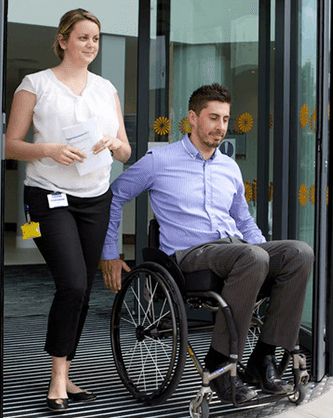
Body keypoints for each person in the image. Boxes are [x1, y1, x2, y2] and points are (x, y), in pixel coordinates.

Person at [101, 83, 313, 404]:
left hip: (238, 250)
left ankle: (261, 359)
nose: (221, 127)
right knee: (252, 257)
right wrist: (110, 252)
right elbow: (114, 196)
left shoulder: (229, 166)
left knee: (299, 253)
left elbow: (244, 221)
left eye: (225, 119)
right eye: (213, 118)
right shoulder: (160, 160)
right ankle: (219, 366)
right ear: (193, 118)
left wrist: (270, 257)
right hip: (190, 256)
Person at [4, 8, 131, 413]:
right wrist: (48, 150)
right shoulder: (35, 84)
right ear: (63, 40)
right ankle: (58, 378)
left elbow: (127, 150)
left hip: (96, 198)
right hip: (47, 197)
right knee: (73, 284)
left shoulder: (106, 88)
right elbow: (10, 145)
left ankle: (66, 369)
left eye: (95, 38)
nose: (91, 45)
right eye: (82, 37)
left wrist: (115, 144)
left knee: (83, 287)